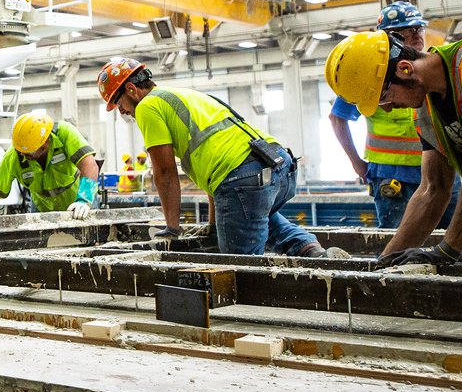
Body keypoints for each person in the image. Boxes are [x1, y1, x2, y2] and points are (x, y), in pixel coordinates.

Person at [325, 29, 462, 267]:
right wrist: (384, 264)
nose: (386, 108)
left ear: (405, 69)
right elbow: (432, 191)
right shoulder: (426, 110)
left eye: (383, 96)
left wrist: (447, 250)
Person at [97, 56, 332, 258]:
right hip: (278, 165)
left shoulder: (148, 106)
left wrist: (172, 228)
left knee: (239, 271)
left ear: (131, 89)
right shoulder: (183, 95)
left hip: (243, 178)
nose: (122, 111)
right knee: (259, 218)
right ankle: (316, 254)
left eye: (118, 103)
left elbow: (165, 173)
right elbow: (216, 172)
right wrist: (212, 226)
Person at [328, 2, 427, 228]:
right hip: (393, 176)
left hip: (438, 171)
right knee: (398, 243)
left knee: (455, 245)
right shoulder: (369, 73)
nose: (417, 35)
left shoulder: (429, 69)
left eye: (419, 29)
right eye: (409, 31)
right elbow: (337, 118)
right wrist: (357, 164)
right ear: (392, 38)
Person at [0, 112, 99, 218]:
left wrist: (84, 200)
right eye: (20, 151)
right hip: (42, 210)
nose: (23, 155)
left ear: (45, 143)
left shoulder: (64, 133)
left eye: (29, 152)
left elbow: (89, 164)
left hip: (79, 205)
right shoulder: (14, 156)